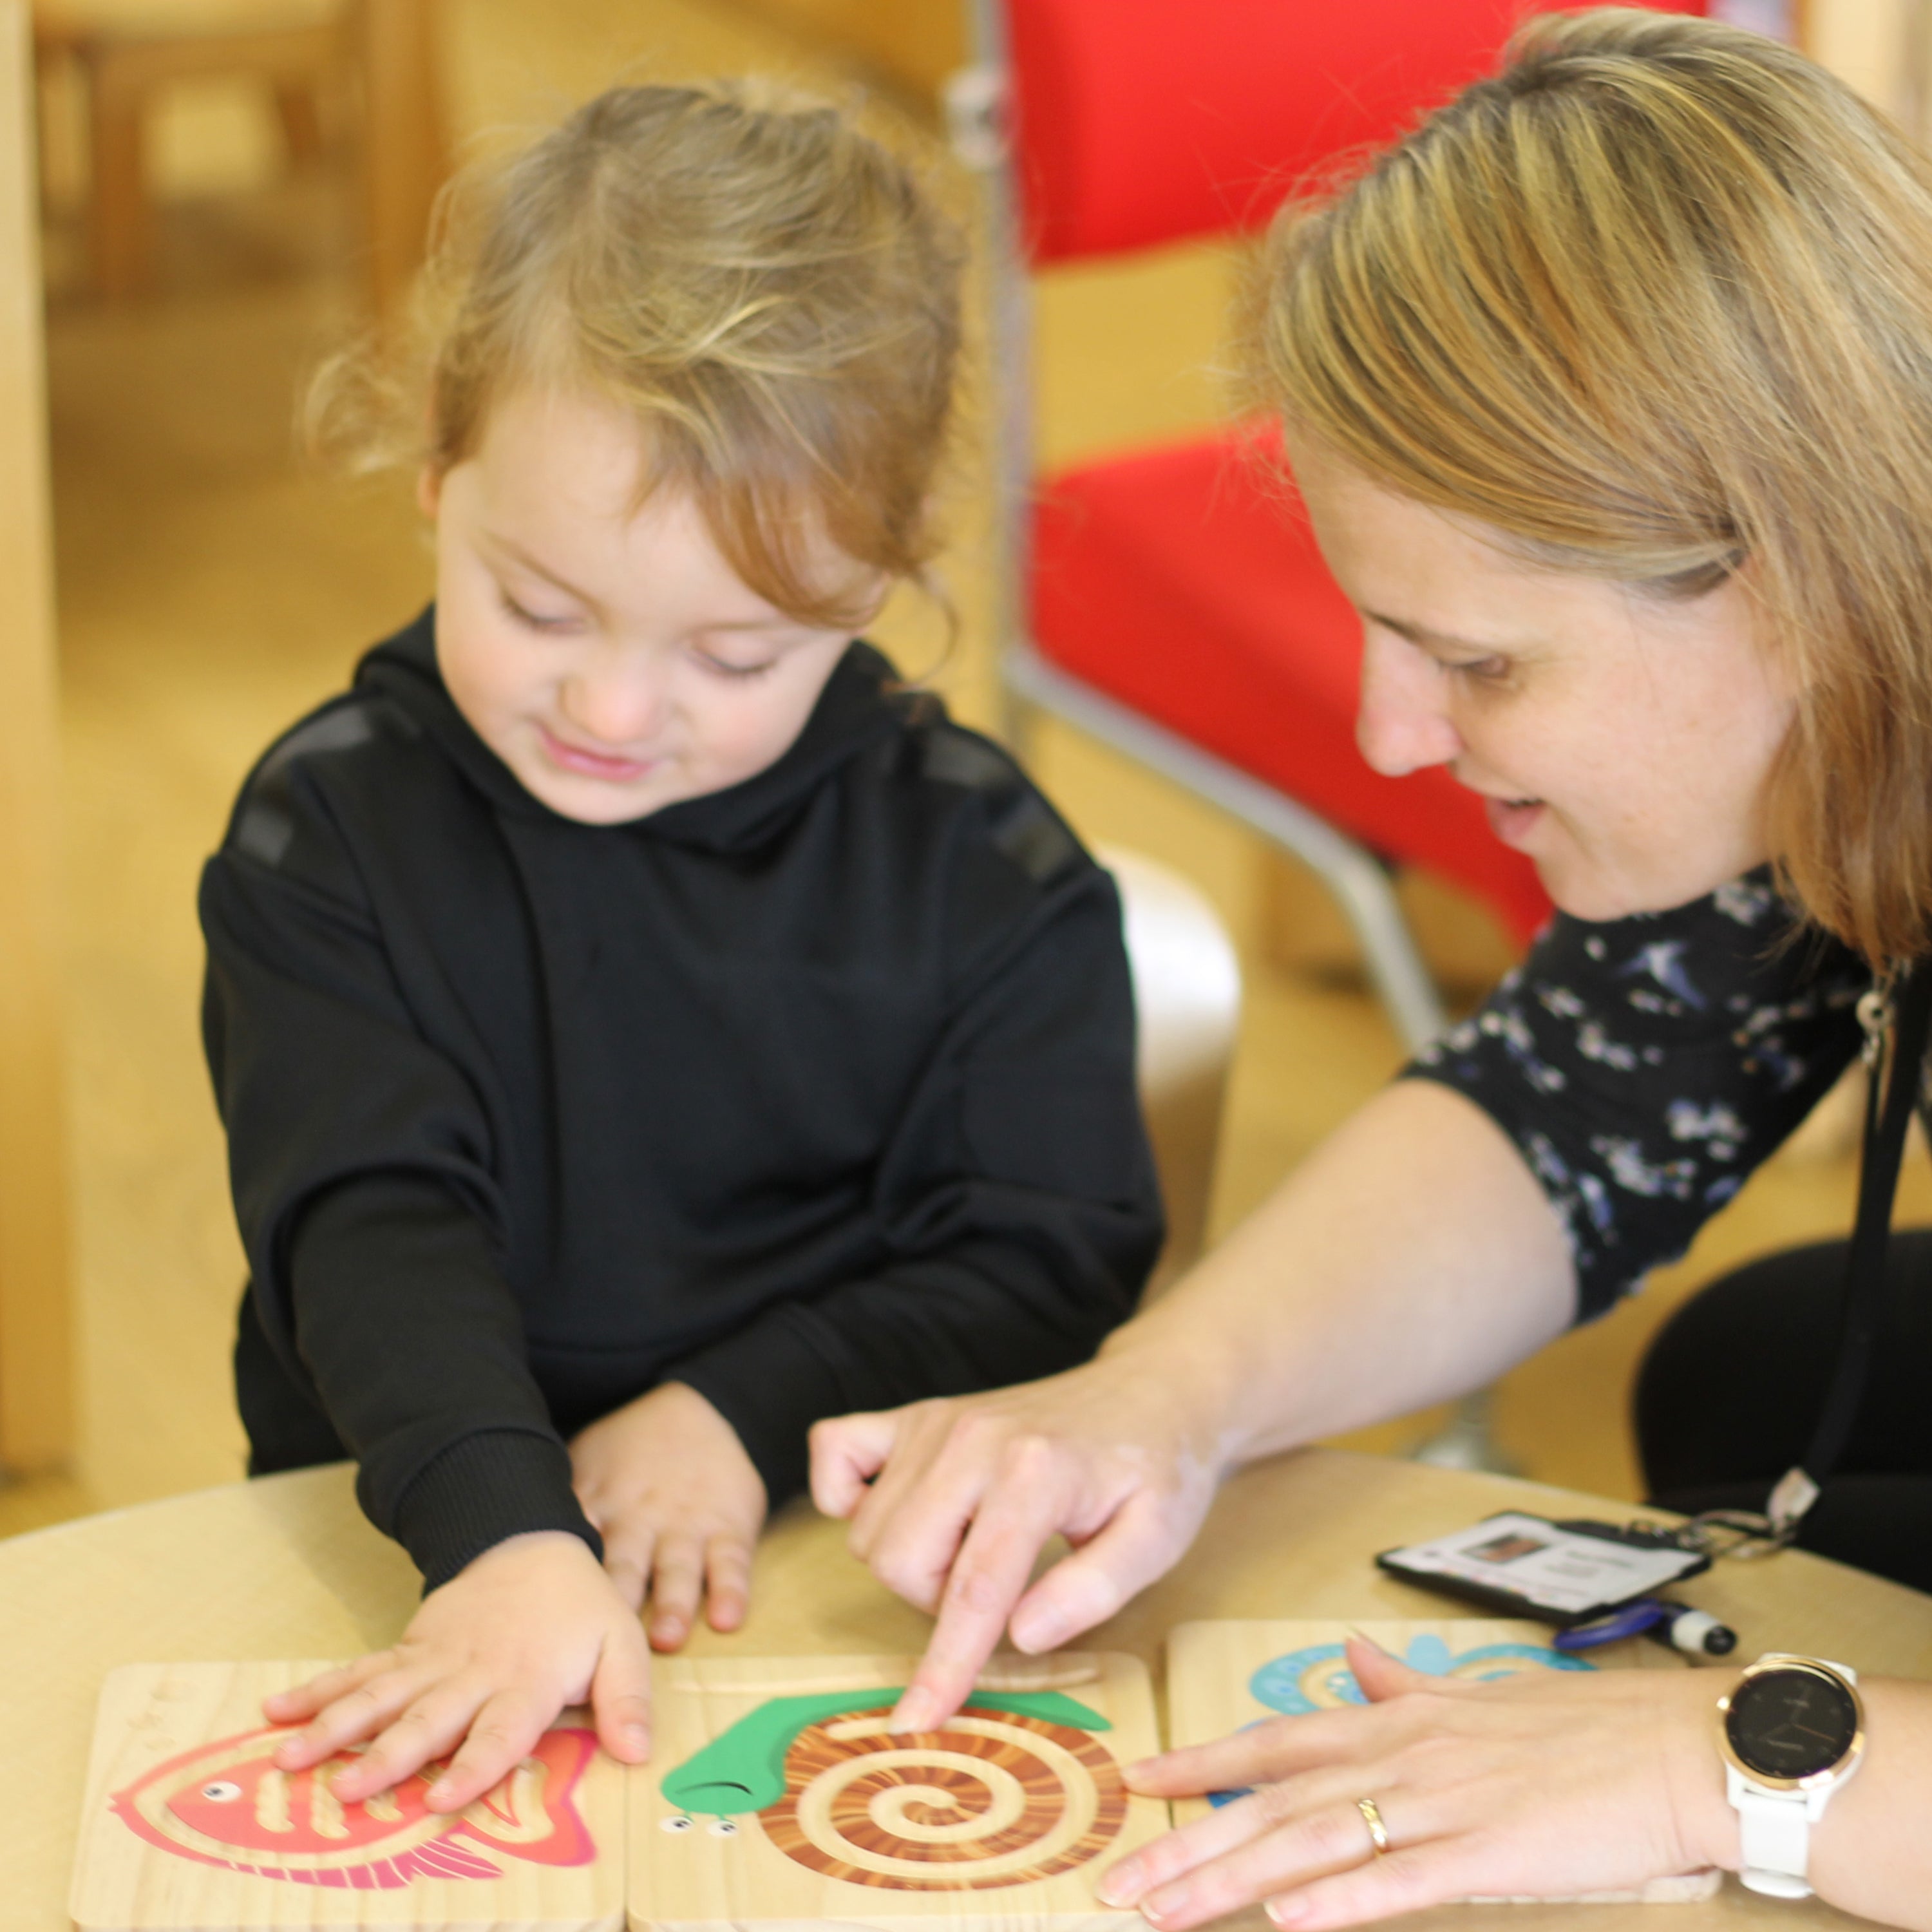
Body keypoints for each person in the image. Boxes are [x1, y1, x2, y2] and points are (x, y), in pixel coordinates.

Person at [810, 11, 1932, 1923]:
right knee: (1759, 1385)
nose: (1395, 736)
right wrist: (1167, 1391)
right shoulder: (1848, 692)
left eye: (1483, 662)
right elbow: (1579, 1107)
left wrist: (1714, 1766)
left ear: (1799, 579)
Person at [199, 81, 1161, 1817]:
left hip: (825, 1562)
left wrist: (738, 1409)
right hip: (421, 1531)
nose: (614, 708)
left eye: (731, 656)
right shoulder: (326, 835)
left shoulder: (989, 869)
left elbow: (1052, 1250)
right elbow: (367, 1223)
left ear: (873, 584)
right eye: (541, 606)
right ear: (436, 472)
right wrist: (504, 1532)